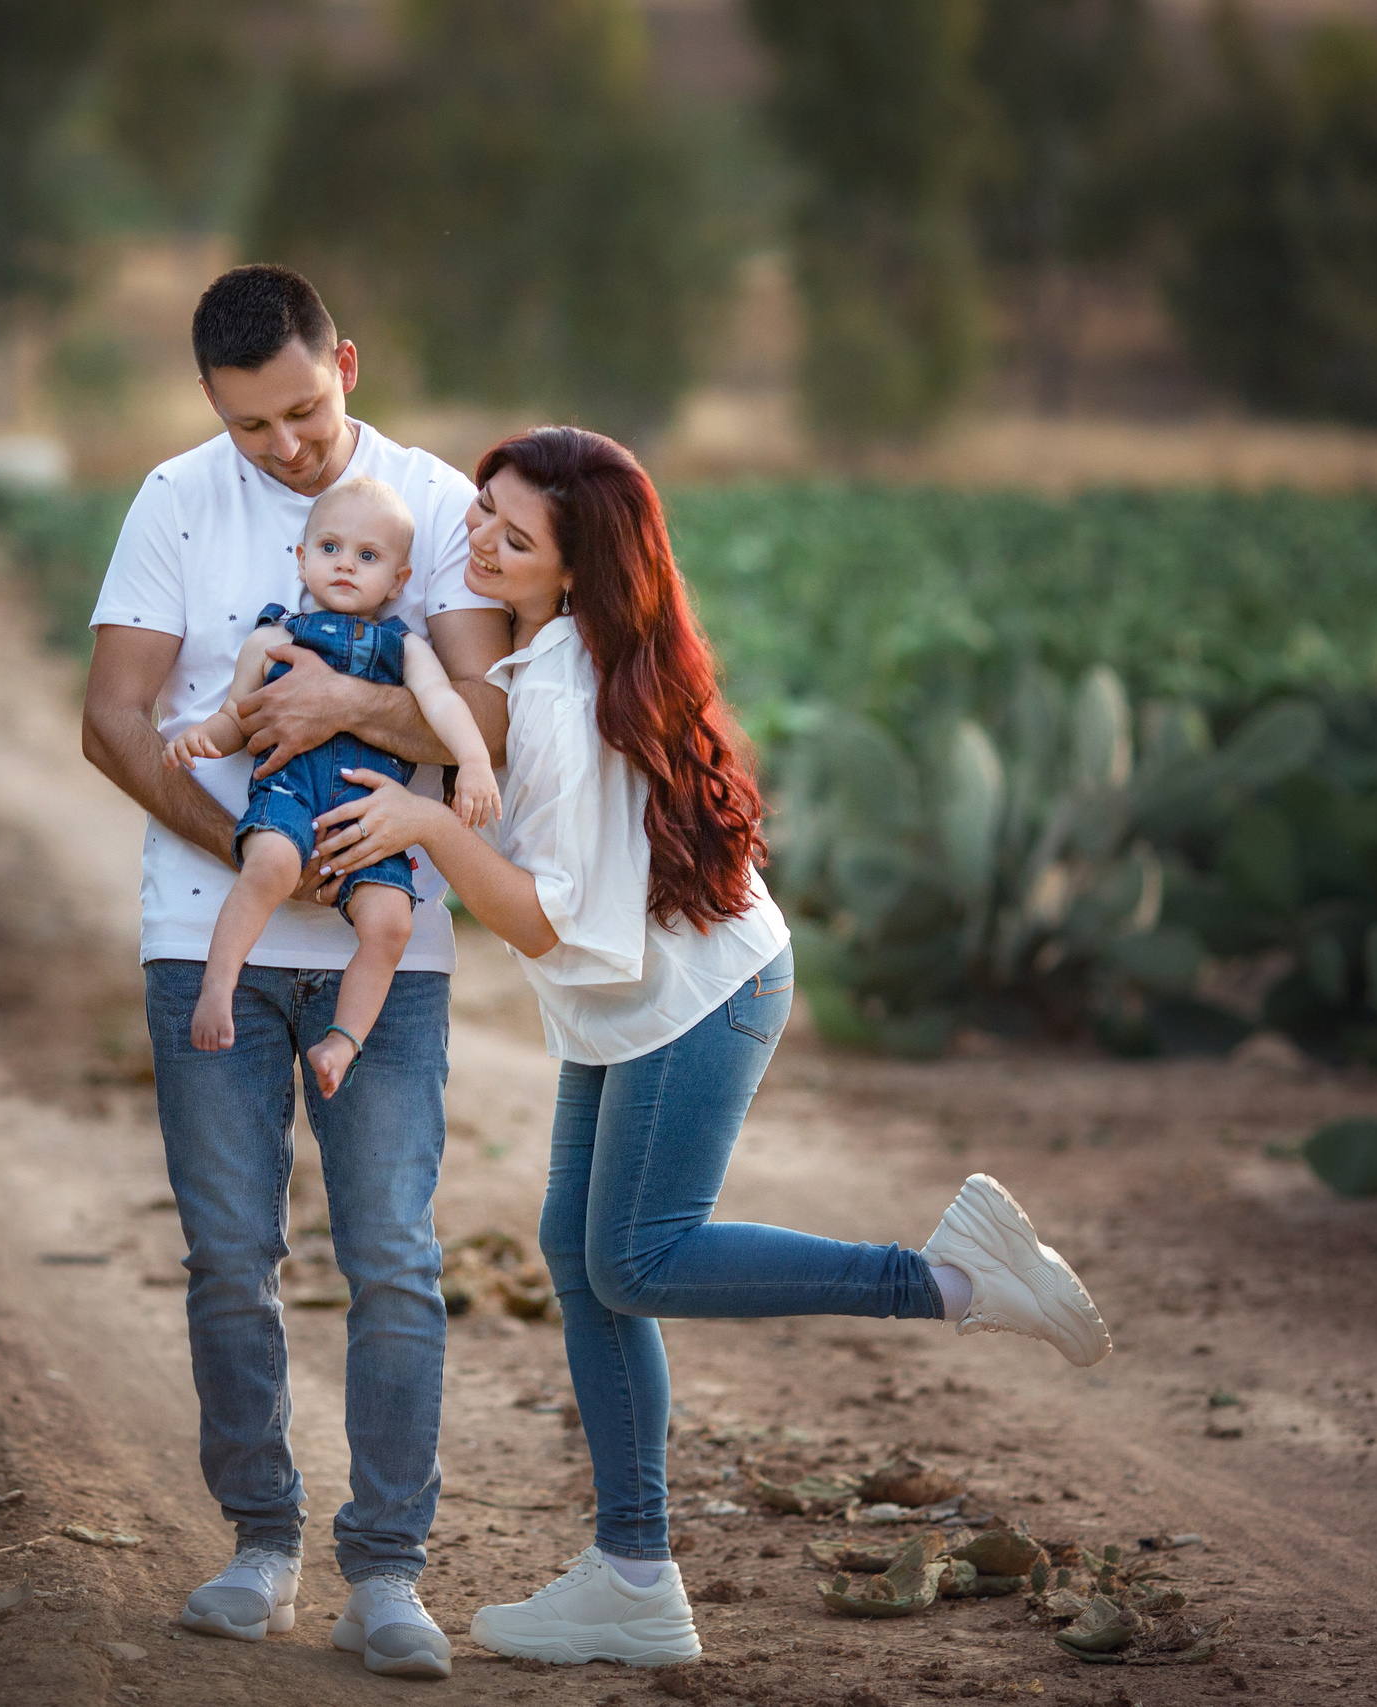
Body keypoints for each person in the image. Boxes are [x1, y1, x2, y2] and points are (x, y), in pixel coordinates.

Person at [311, 425, 1114, 1669]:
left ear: (575, 568)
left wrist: (425, 824)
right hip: (632, 995)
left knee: (636, 1259)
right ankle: (633, 1579)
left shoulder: (567, 695)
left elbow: (545, 920)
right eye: (480, 511)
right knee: (581, 1259)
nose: (480, 542)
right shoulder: (555, 649)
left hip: (694, 996)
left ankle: (951, 1282)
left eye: (514, 537)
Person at [81, 264, 511, 1681]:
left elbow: (484, 717)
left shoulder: (436, 502)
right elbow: (114, 717)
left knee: (392, 1258)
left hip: (392, 945)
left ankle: (386, 1571)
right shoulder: (173, 499)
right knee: (228, 1257)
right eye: (250, 424)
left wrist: (352, 703)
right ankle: (260, 1542)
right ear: (213, 408)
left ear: (348, 366)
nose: (283, 446)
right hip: (207, 932)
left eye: (304, 411)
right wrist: (260, 848)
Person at [163, 476, 501, 1099]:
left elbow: (442, 703)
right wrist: (204, 738)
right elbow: (238, 715)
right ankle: (218, 984)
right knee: (269, 864)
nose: (345, 564)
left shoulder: (405, 647)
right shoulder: (274, 639)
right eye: (330, 548)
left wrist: (474, 760)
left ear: (398, 581)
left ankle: (342, 1041)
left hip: (370, 816)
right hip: (290, 794)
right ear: (302, 558)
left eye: (368, 556)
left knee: (392, 923)